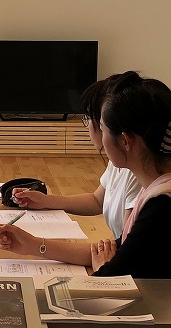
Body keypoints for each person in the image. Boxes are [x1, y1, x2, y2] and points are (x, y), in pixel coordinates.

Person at [0, 72, 171, 279]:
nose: (99, 135)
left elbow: (109, 278)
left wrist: (102, 266)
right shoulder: (170, 187)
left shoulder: (165, 207)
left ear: (125, 141)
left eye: (103, 128)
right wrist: (32, 244)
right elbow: (117, 251)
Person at [9, 74, 141, 239]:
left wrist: (37, 245)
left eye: (88, 118)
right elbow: (97, 200)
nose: (88, 126)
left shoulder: (135, 173)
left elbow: (127, 247)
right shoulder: (119, 162)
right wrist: (45, 201)